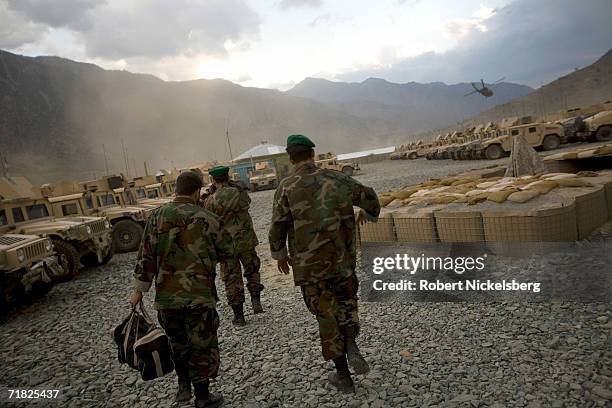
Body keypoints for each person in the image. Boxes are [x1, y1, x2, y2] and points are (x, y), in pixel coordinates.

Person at [268, 134, 381, 393]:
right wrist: (367, 212)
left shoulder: (285, 186)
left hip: (309, 267)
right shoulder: (338, 178)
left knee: (325, 316)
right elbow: (370, 198)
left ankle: (343, 375)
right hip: (342, 260)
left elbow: (278, 226)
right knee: (347, 302)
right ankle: (351, 341)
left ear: (290, 158)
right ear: (313, 155)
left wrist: (280, 255)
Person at [130, 171, 229, 408]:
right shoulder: (206, 217)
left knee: (177, 342)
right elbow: (227, 250)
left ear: (176, 190)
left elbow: (146, 257)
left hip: (167, 298)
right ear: (197, 192)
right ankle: (203, 396)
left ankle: (183, 387)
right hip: (199, 296)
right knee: (201, 343)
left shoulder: (156, 217)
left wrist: (138, 291)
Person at [203, 165, 264, 326]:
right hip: (245, 241)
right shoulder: (239, 192)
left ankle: (239, 315)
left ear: (213, 179)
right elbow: (247, 203)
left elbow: (208, 219)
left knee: (231, 279)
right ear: (228, 177)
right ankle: (256, 301)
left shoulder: (210, 200)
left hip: (226, 246)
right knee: (252, 269)